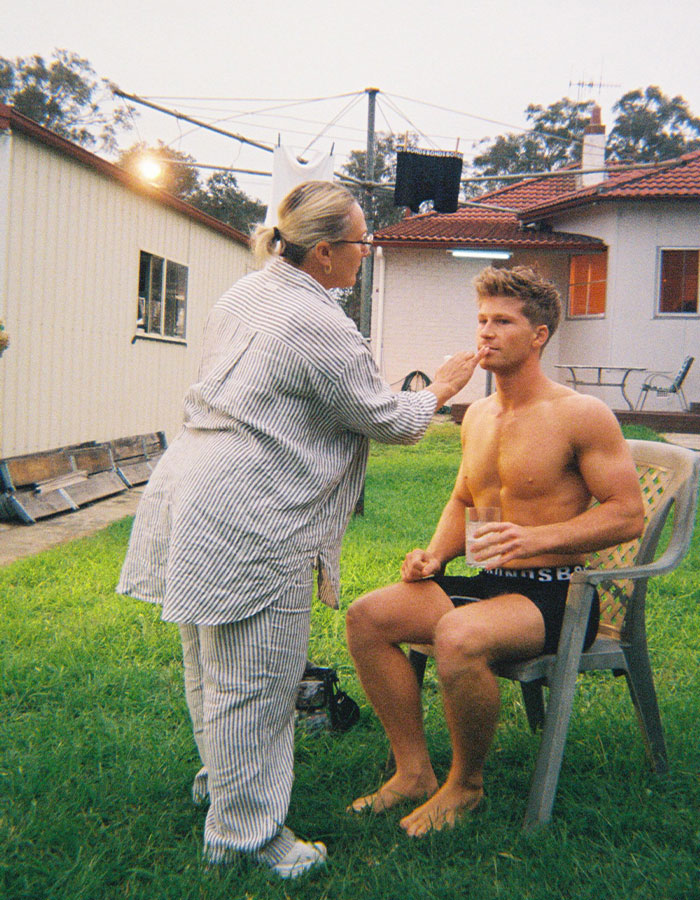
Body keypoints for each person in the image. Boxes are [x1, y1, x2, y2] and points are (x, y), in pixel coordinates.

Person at [117, 181, 486, 878]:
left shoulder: (249, 292)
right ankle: (247, 839)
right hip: (250, 509)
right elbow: (387, 419)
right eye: (359, 243)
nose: (365, 253)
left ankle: (222, 788)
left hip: (196, 487)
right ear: (323, 253)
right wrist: (439, 388)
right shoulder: (315, 321)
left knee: (213, 665)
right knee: (257, 677)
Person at [345, 265, 645, 837]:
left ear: (538, 335)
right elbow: (464, 498)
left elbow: (628, 513)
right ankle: (413, 772)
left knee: (458, 636)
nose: (486, 332)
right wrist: (434, 556)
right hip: (490, 581)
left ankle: (466, 785)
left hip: (560, 597)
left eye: (502, 321)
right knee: (368, 617)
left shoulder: (580, 414)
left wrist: (539, 538)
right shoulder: (478, 415)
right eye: (481, 319)